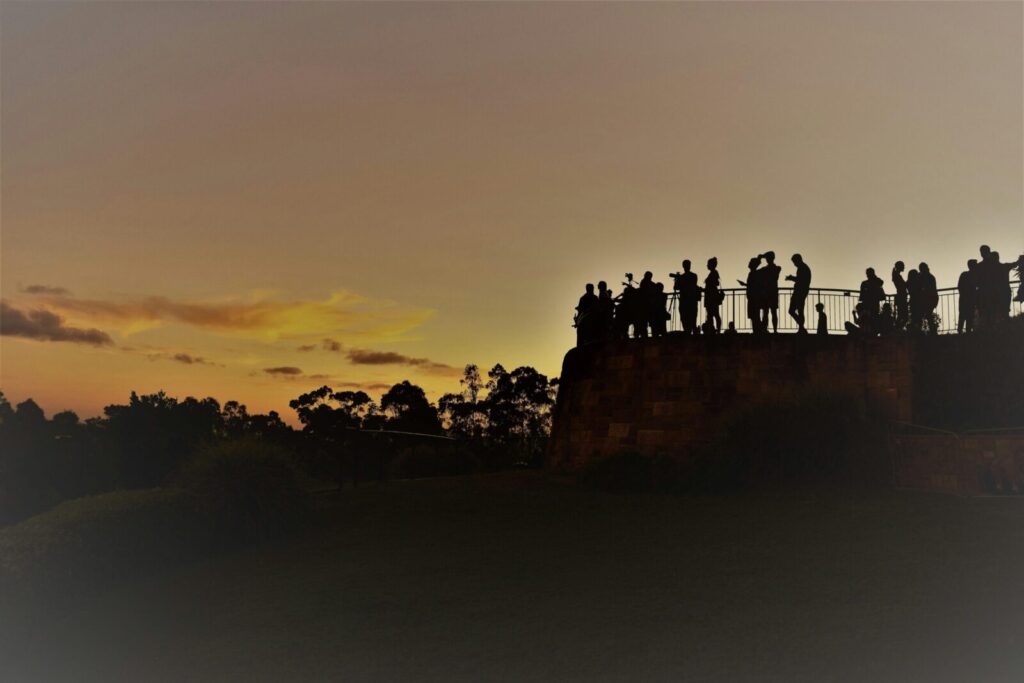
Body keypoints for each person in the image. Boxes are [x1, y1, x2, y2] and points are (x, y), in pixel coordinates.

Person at [672, 260, 701, 335]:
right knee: (692, 319)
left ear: (683, 266)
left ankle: (688, 334)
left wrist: (677, 279)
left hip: (684, 301)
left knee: (685, 319)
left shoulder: (683, 277)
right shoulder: (694, 276)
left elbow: (676, 287)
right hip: (691, 301)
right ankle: (693, 334)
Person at [786, 253, 812, 334]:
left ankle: (801, 327)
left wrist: (791, 278)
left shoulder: (803, 268)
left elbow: (801, 280)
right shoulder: (803, 267)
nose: (794, 264)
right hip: (800, 291)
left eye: (794, 262)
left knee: (797, 310)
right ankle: (801, 326)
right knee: (796, 310)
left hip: (800, 292)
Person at [738, 256, 764, 334]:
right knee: (754, 315)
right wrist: (745, 284)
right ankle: (757, 331)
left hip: (753, 298)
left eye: (750, 262)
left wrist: (745, 285)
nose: (748, 263)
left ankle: (757, 331)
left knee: (754, 315)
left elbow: (753, 285)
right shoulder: (754, 273)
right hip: (752, 297)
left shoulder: (754, 273)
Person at [760, 251, 782, 333]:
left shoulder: (766, 269)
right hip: (771, 293)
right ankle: (773, 330)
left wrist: (761, 256)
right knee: (770, 312)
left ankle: (768, 329)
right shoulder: (777, 268)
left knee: (768, 312)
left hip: (767, 293)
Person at [858, 268, 885, 332]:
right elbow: (881, 282)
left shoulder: (865, 283)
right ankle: (872, 331)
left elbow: (862, 294)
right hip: (874, 303)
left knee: (869, 317)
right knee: (873, 317)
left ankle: (869, 331)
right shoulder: (876, 282)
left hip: (868, 303)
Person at [957, 261, 978, 334]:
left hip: (964, 298)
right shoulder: (974, 276)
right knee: (968, 316)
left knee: (963, 315)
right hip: (969, 299)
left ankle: (961, 331)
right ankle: (966, 331)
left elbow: (959, 286)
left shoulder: (964, 274)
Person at [918, 262, 938, 335]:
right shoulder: (930, 277)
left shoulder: (926, 277)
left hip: (927, 299)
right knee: (928, 315)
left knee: (924, 315)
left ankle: (921, 331)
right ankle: (932, 331)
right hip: (930, 299)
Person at [704, 257, 722, 334]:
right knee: (712, 314)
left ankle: (715, 330)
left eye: (708, 264)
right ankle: (714, 329)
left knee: (713, 314)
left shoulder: (713, 273)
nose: (707, 265)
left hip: (711, 297)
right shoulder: (714, 273)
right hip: (711, 296)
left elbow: (715, 284)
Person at [636, 271, 657, 339]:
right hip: (648, 306)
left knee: (645, 323)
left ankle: (645, 336)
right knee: (648, 323)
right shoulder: (652, 285)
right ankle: (650, 336)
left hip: (645, 307)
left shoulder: (644, 283)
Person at [892, 261, 908, 331]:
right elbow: (902, 286)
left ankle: (897, 329)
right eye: (903, 266)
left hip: (901, 296)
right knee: (903, 316)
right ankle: (897, 329)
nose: (904, 267)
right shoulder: (897, 276)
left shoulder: (896, 275)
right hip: (901, 297)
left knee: (901, 315)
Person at [906, 269, 921, 334]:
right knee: (918, 316)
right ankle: (917, 330)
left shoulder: (908, 282)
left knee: (914, 316)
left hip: (912, 300)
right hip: (917, 300)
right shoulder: (917, 282)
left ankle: (915, 330)